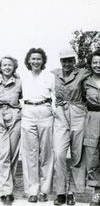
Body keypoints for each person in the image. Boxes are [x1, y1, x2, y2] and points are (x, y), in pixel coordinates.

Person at [52, 49, 90, 205]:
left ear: (74, 61)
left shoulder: (82, 73)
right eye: (63, 60)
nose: (66, 63)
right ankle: (60, 191)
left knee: (77, 154)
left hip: (78, 113)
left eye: (69, 60)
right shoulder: (54, 74)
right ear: (60, 61)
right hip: (61, 114)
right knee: (59, 153)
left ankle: (73, 192)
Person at [21, 48, 55, 203]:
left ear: (43, 61)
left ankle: (44, 191)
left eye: (38, 59)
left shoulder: (49, 76)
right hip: (28, 113)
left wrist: (53, 111)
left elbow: (55, 96)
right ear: (29, 60)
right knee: (30, 155)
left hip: (45, 112)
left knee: (46, 153)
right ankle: (32, 191)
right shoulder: (22, 76)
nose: (35, 61)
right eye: (33, 59)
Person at [0, 56, 22, 205]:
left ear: (14, 67)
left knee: (12, 154)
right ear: (0, 67)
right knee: (1, 155)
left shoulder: (20, 82)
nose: (7, 67)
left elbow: (26, 98)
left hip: (15, 117)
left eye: (10, 65)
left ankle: (9, 188)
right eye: (4, 65)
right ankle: (5, 192)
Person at [83, 50, 100, 206]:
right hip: (93, 118)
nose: (98, 65)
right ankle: (97, 192)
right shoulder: (86, 81)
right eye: (95, 62)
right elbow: (82, 100)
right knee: (92, 154)